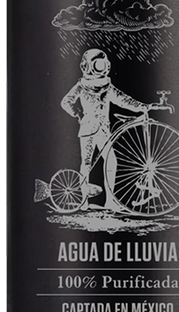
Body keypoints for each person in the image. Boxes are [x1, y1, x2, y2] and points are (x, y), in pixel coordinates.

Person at [61, 49, 149, 211]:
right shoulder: (81, 86)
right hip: (88, 130)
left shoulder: (107, 87)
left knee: (111, 161)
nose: (101, 68)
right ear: (87, 66)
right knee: (86, 163)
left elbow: (123, 99)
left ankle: (110, 201)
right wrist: (78, 113)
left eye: (102, 64)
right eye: (97, 64)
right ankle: (83, 201)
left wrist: (141, 107)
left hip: (103, 130)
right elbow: (66, 101)